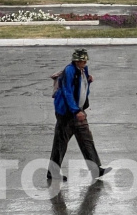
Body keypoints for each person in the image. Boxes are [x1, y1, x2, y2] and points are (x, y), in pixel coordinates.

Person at [47, 48, 111, 182]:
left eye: (85, 60)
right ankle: (52, 172)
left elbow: (81, 89)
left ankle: (96, 169)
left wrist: (88, 81)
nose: (84, 62)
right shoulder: (69, 71)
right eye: (82, 60)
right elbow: (67, 92)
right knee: (60, 143)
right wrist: (76, 111)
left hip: (78, 110)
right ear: (76, 61)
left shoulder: (83, 70)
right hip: (67, 112)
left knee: (86, 140)